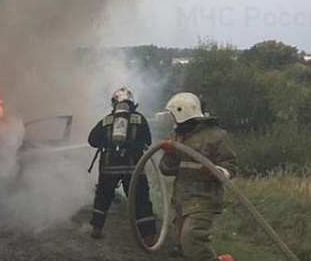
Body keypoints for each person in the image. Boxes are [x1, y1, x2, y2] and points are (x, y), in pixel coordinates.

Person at [159, 92, 237, 261]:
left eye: (174, 116)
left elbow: (230, 166)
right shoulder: (177, 137)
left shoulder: (216, 136)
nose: (173, 121)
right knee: (181, 245)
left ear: (183, 113)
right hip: (182, 200)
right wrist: (170, 154)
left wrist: (216, 172)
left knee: (192, 239)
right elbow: (166, 170)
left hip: (204, 199)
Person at [88, 87, 158, 246]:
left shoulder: (106, 120)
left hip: (108, 168)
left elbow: (92, 140)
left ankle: (96, 229)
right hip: (134, 169)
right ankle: (148, 237)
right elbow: (147, 141)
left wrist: (106, 142)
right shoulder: (140, 119)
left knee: (103, 197)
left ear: (114, 103)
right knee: (140, 200)